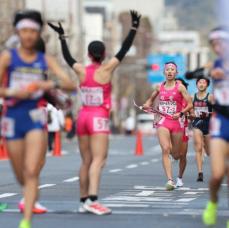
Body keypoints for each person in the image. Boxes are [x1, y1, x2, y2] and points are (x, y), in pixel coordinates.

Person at [48, 10, 141, 215]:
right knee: (99, 160)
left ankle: (83, 201)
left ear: (89, 54)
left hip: (83, 116)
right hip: (98, 117)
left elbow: (68, 56)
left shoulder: (81, 70)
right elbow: (124, 50)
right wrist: (134, 27)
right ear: (104, 54)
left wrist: (62, 37)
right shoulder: (107, 70)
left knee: (87, 161)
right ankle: (93, 199)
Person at [0, 10, 76, 228]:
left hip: (34, 116)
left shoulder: (45, 59)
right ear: (18, 32)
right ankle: (28, 194)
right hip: (13, 117)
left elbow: (70, 85)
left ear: (38, 33)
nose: (29, 35)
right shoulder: (8, 57)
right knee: (21, 173)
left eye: (33, 31)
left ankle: (26, 222)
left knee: (32, 170)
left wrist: (47, 84)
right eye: (24, 30)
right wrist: (13, 92)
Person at [143, 62, 192, 190]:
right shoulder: (160, 87)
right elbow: (150, 99)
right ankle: (170, 180)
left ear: (176, 73)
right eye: (167, 70)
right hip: (163, 121)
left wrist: (181, 112)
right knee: (165, 149)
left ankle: (178, 175)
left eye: (172, 70)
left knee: (177, 155)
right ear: (164, 73)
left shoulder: (180, 87)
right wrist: (147, 105)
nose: (170, 72)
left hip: (177, 122)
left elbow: (190, 104)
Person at [202, 27, 229, 226]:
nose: (218, 47)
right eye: (214, 44)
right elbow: (195, 72)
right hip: (221, 121)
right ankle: (213, 201)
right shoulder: (216, 65)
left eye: (222, 42)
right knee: (218, 174)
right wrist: (208, 71)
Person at [191, 76, 213, 182]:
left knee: (209, 152)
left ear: (207, 85)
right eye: (199, 82)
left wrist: (208, 113)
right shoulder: (192, 97)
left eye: (204, 83)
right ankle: (200, 173)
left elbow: (218, 111)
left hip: (209, 125)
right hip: (197, 124)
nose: (201, 84)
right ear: (196, 84)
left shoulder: (210, 97)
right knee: (198, 148)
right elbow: (189, 111)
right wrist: (190, 114)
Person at [173, 77, 190, 187]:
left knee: (182, 155)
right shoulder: (170, 98)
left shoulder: (187, 100)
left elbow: (192, 112)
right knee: (174, 155)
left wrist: (190, 115)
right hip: (171, 128)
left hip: (183, 129)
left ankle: (179, 177)